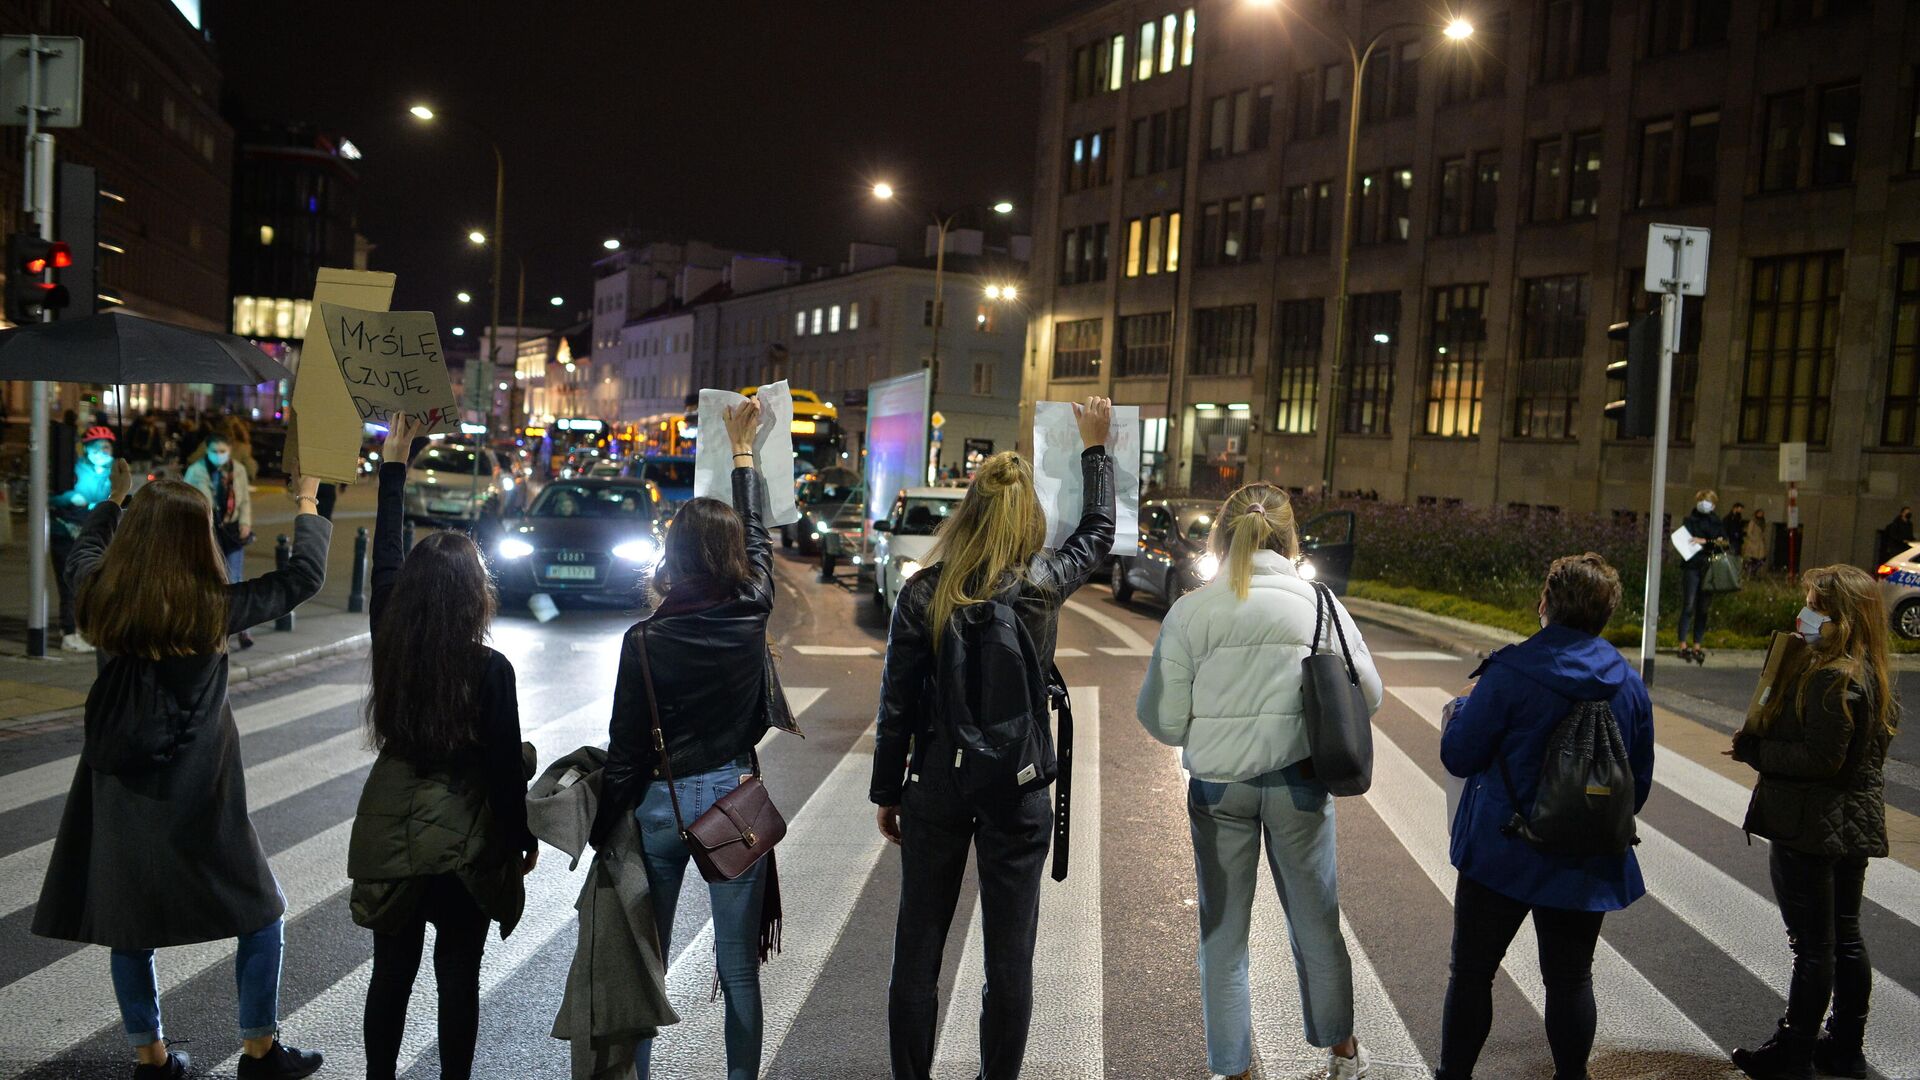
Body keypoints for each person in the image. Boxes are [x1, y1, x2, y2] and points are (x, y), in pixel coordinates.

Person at [32, 463, 331, 1080]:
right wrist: (306, 499)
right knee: (259, 912)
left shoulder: (102, 596)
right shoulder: (213, 608)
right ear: (199, 540)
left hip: (120, 789)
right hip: (203, 792)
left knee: (129, 925)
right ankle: (258, 1050)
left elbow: (82, 552)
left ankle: (152, 1057)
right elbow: (302, 576)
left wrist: (114, 501)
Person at [872, 398, 1115, 1080]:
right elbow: (1097, 532)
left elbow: (896, 707)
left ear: (968, 515)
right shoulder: (1038, 587)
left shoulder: (923, 593)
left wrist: (890, 791)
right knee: (1010, 955)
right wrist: (1095, 448)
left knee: (917, 949)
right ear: (1026, 519)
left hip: (938, 785)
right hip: (1018, 783)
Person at [1137, 483, 1383, 1080]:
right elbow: (1368, 695)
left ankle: (1234, 1068)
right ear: (1290, 536)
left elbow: (1165, 720)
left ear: (1222, 536)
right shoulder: (1319, 604)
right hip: (1299, 783)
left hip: (1220, 789)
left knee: (1222, 932)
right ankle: (1342, 1053)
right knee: (1316, 919)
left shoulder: (1192, 610)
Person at [349, 415, 537, 1080]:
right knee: (458, 976)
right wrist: (520, 842)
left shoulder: (391, 642)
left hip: (391, 830)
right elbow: (502, 773)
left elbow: (389, 559)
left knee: (390, 976)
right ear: (472, 597)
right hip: (463, 844)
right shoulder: (491, 670)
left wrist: (394, 465)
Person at [599, 397, 774, 1080]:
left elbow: (625, 749)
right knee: (738, 967)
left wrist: (603, 830)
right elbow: (759, 543)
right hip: (731, 795)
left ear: (671, 554)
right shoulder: (751, 611)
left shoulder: (643, 639)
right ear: (731, 557)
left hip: (660, 803)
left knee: (649, 963)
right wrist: (742, 454)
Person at [1436, 553, 1655, 1080]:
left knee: (1472, 975)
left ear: (1547, 605)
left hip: (1502, 852)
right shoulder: (1627, 684)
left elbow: (1459, 756)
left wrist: (1464, 709)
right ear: (1604, 615)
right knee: (1571, 980)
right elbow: (1637, 787)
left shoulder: (1510, 672)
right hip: (1586, 859)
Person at [1729, 564, 1896, 1080]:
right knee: (1844, 936)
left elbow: (1822, 759)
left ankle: (1794, 1051)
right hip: (1848, 823)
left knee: (1814, 945)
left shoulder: (1830, 676)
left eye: (1815, 606)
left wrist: (1758, 750)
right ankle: (1844, 1045)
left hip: (1810, 823)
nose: (1805, 614)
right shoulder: (1869, 671)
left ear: (1840, 616)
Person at [185, 434, 257, 650]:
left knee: (234, 580)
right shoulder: (195, 471)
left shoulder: (237, 470)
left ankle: (241, 627)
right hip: (206, 531)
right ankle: (214, 629)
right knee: (208, 580)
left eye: (222, 451)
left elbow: (244, 499)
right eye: (215, 451)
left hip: (231, 530)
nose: (219, 456)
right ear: (206, 450)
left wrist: (245, 522)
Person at [51, 426, 119, 652]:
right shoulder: (73, 469)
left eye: (107, 447)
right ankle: (69, 634)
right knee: (70, 584)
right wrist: (71, 496)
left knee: (94, 583)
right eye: (98, 447)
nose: (103, 452)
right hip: (67, 532)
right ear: (87, 448)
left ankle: (80, 627)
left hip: (95, 535)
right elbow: (54, 494)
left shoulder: (113, 472)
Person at [1677, 488, 1729, 664]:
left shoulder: (1716, 523)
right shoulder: (1690, 521)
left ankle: (1697, 644)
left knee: (1703, 608)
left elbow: (1725, 542)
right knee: (1689, 605)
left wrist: (1704, 542)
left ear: (1713, 504)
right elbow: (1682, 539)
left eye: (1707, 501)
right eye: (1701, 500)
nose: (1703, 503)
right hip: (1691, 566)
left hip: (1709, 568)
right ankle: (1682, 644)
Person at [1744, 509, 1772, 576]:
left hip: (1760, 543)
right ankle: (1750, 572)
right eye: (1760, 513)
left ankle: (1754, 572)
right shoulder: (1753, 522)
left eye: (1762, 513)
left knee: (1761, 559)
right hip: (1753, 543)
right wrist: (1753, 539)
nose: (1761, 514)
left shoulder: (1762, 522)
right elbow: (1749, 532)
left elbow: (1762, 532)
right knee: (1752, 559)